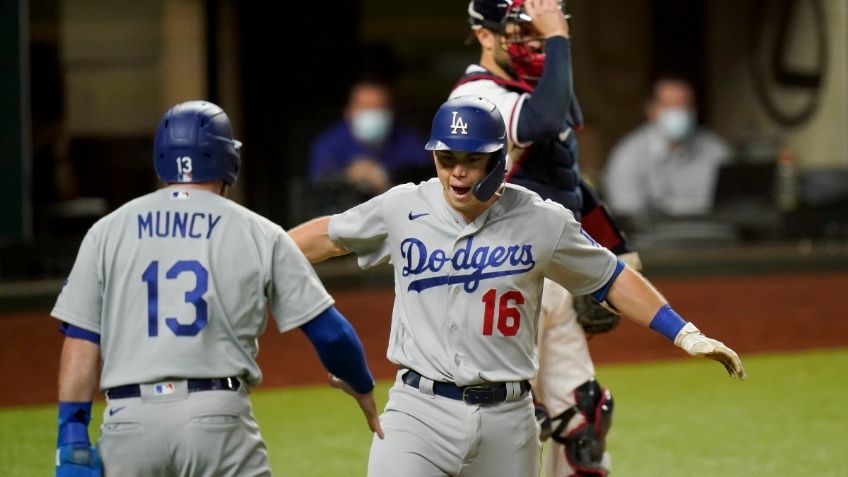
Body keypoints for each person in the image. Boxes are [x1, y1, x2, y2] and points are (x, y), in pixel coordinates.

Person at [289, 96, 746, 477]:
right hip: (418, 413)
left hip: (508, 421)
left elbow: (611, 277)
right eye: (447, 159)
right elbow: (327, 237)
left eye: (472, 160)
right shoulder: (403, 207)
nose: (458, 173)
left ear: (498, 160)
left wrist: (685, 333)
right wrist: (258, 256)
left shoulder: (540, 220)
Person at [52, 100, 382, 477]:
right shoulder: (259, 232)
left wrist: (72, 434)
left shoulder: (106, 232)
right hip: (217, 422)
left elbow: (80, 339)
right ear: (229, 161)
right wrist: (362, 386)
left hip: (129, 424)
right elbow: (332, 335)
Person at [454, 1, 639, 474]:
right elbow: (539, 120)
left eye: (541, 31)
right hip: (504, 281)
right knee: (515, 429)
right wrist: (560, 38)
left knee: (585, 419)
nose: (535, 40)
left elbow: (565, 184)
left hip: (552, 276)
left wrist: (614, 252)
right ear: (485, 36)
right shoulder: (477, 98)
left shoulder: (529, 92)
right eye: (523, 30)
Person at [603, 76, 732, 225]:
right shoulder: (628, 156)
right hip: (652, 245)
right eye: (670, 106)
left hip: (710, 240)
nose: (678, 112)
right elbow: (628, 216)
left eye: (684, 106)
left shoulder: (716, 151)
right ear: (651, 110)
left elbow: (732, 208)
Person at [308, 78, 432, 200]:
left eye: (379, 107)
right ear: (348, 111)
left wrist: (387, 180)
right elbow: (317, 185)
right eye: (365, 107)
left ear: (391, 112)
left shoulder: (409, 141)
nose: (372, 114)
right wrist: (346, 177)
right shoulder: (329, 143)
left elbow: (425, 182)